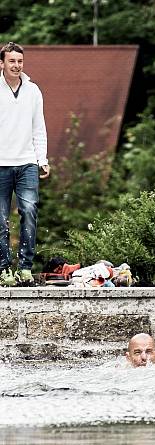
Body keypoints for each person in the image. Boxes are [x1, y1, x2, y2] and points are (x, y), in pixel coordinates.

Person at [0, 42, 49, 287]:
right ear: (2, 63)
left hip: (27, 162)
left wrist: (43, 159)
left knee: (29, 212)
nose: (16, 66)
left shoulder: (33, 91)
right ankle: (4, 268)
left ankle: (26, 268)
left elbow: (38, 127)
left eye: (20, 61)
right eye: (12, 61)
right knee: (0, 218)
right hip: (0, 164)